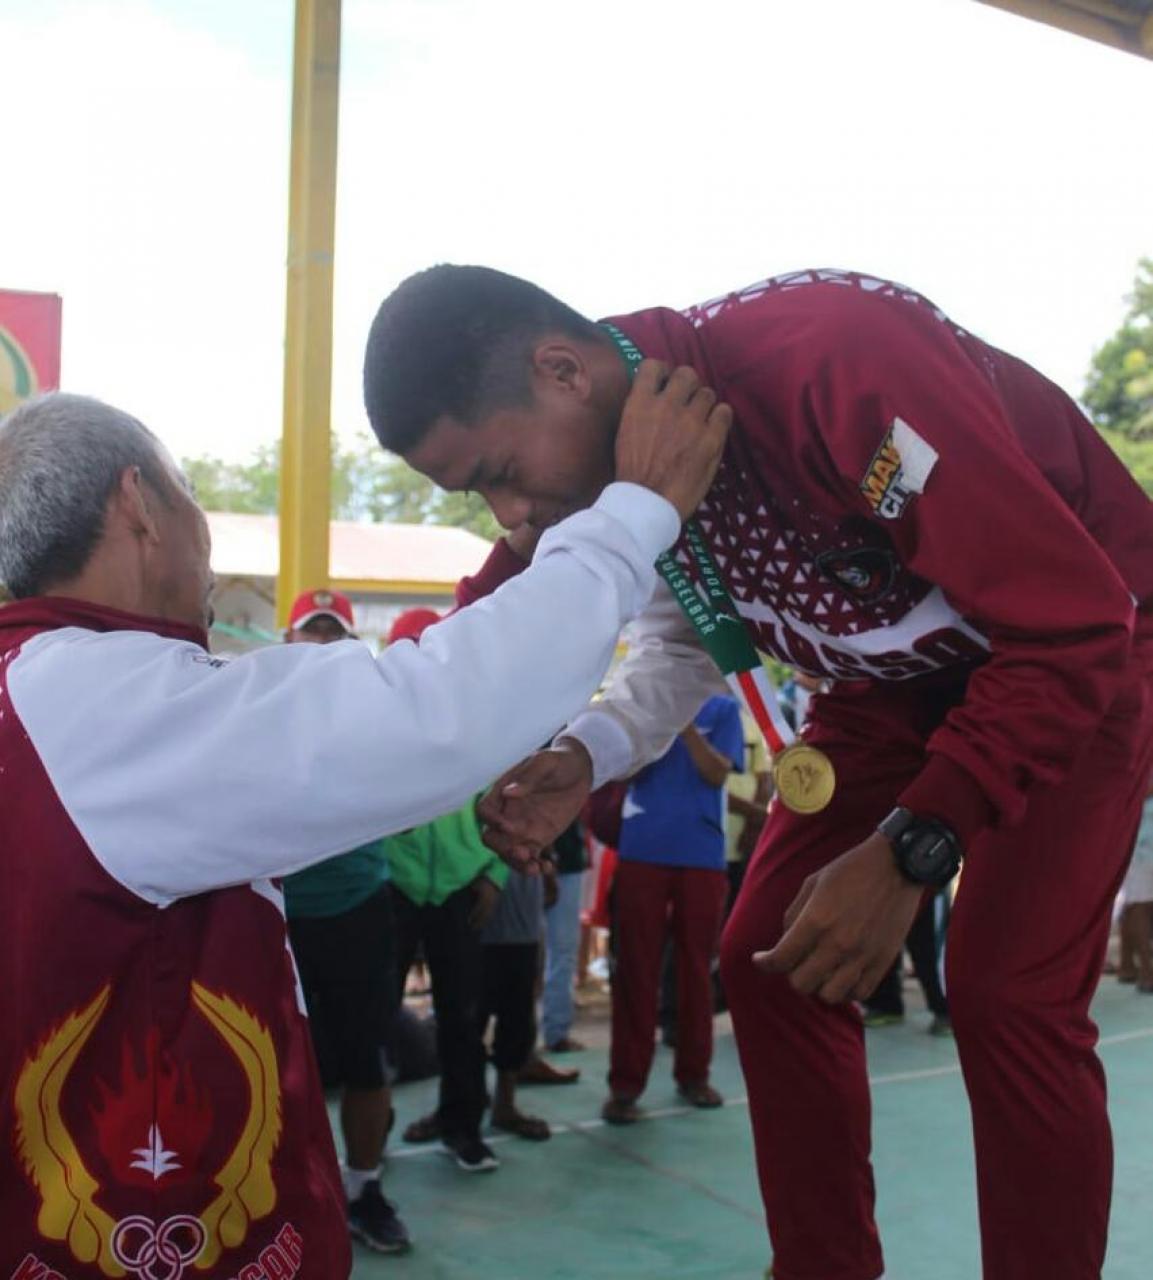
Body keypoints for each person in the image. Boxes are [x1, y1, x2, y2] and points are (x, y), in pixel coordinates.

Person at [363, 264, 1153, 1280]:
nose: (511, 510)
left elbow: (1073, 622)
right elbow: (679, 636)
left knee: (1006, 991)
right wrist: (583, 753)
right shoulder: (629, 461)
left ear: (562, 371)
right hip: (881, 689)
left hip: (1078, 647)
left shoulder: (833, 359)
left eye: (499, 471)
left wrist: (911, 848)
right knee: (770, 956)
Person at [0, 388, 724, 1278]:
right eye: (188, 494)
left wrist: (517, 560)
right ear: (138, 504)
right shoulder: (105, 701)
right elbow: (433, 710)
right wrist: (633, 514)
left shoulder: (37, 688)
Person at [280, 588, 411, 1254]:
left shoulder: (376, 714)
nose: (324, 644)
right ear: (289, 642)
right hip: (275, 917)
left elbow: (411, 800)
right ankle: (283, 1196)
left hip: (359, 908)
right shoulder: (258, 711)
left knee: (367, 1061)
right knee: (274, 1068)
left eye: (336, 634)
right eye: (314, 631)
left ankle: (363, 1190)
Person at [603, 694, 743, 1124]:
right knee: (635, 968)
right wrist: (660, 726)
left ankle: (694, 1074)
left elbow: (717, 773)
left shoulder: (723, 707)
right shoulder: (646, 701)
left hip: (701, 852)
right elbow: (626, 773)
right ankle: (625, 1085)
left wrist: (685, 727)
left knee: (696, 969)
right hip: (642, 847)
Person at [479, 864, 554, 1139]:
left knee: (517, 1014)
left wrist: (548, 862)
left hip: (521, 908)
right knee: (464, 1019)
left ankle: (505, 1103)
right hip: (470, 901)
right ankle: (459, 1102)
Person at [860, 890, 952, 1035]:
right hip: (880, 885)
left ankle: (947, 1010)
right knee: (880, 938)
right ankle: (886, 1004)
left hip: (927, 884)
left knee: (928, 945)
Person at [1118, 781, 1153, 991]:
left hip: (1138, 836)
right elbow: (1140, 786)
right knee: (1139, 904)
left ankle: (1128, 965)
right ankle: (1147, 971)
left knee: (1134, 904)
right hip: (1140, 841)